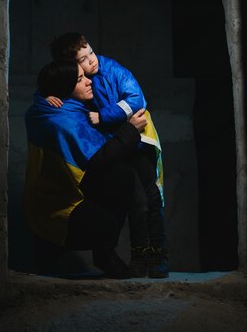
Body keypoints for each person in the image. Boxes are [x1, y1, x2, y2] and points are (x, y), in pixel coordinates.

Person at [47, 32, 168, 278]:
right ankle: (141, 258)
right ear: (72, 65)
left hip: (139, 140)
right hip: (116, 145)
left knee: (152, 198)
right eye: (83, 59)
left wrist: (104, 116)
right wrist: (47, 94)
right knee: (137, 203)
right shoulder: (75, 80)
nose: (92, 60)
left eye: (90, 52)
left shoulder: (111, 69)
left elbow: (137, 99)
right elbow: (56, 81)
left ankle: (159, 258)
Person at [23, 58, 149, 279]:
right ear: (64, 89)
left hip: (61, 192)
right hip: (57, 207)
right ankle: (95, 253)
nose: (89, 81)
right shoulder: (62, 121)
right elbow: (99, 161)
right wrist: (130, 130)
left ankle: (93, 252)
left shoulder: (46, 108)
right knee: (109, 215)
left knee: (121, 177)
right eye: (80, 79)